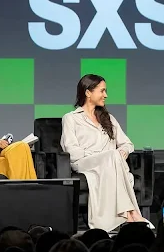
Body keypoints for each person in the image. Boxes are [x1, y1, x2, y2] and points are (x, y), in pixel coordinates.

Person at [60, 74, 153, 232]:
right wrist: (101, 155)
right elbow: (71, 150)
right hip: (84, 162)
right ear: (88, 92)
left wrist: (122, 152)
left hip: (111, 164)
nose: (106, 95)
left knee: (113, 157)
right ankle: (131, 213)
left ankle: (127, 215)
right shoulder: (71, 118)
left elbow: (127, 143)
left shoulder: (108, 118)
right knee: (112, 157)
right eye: (102, 91)